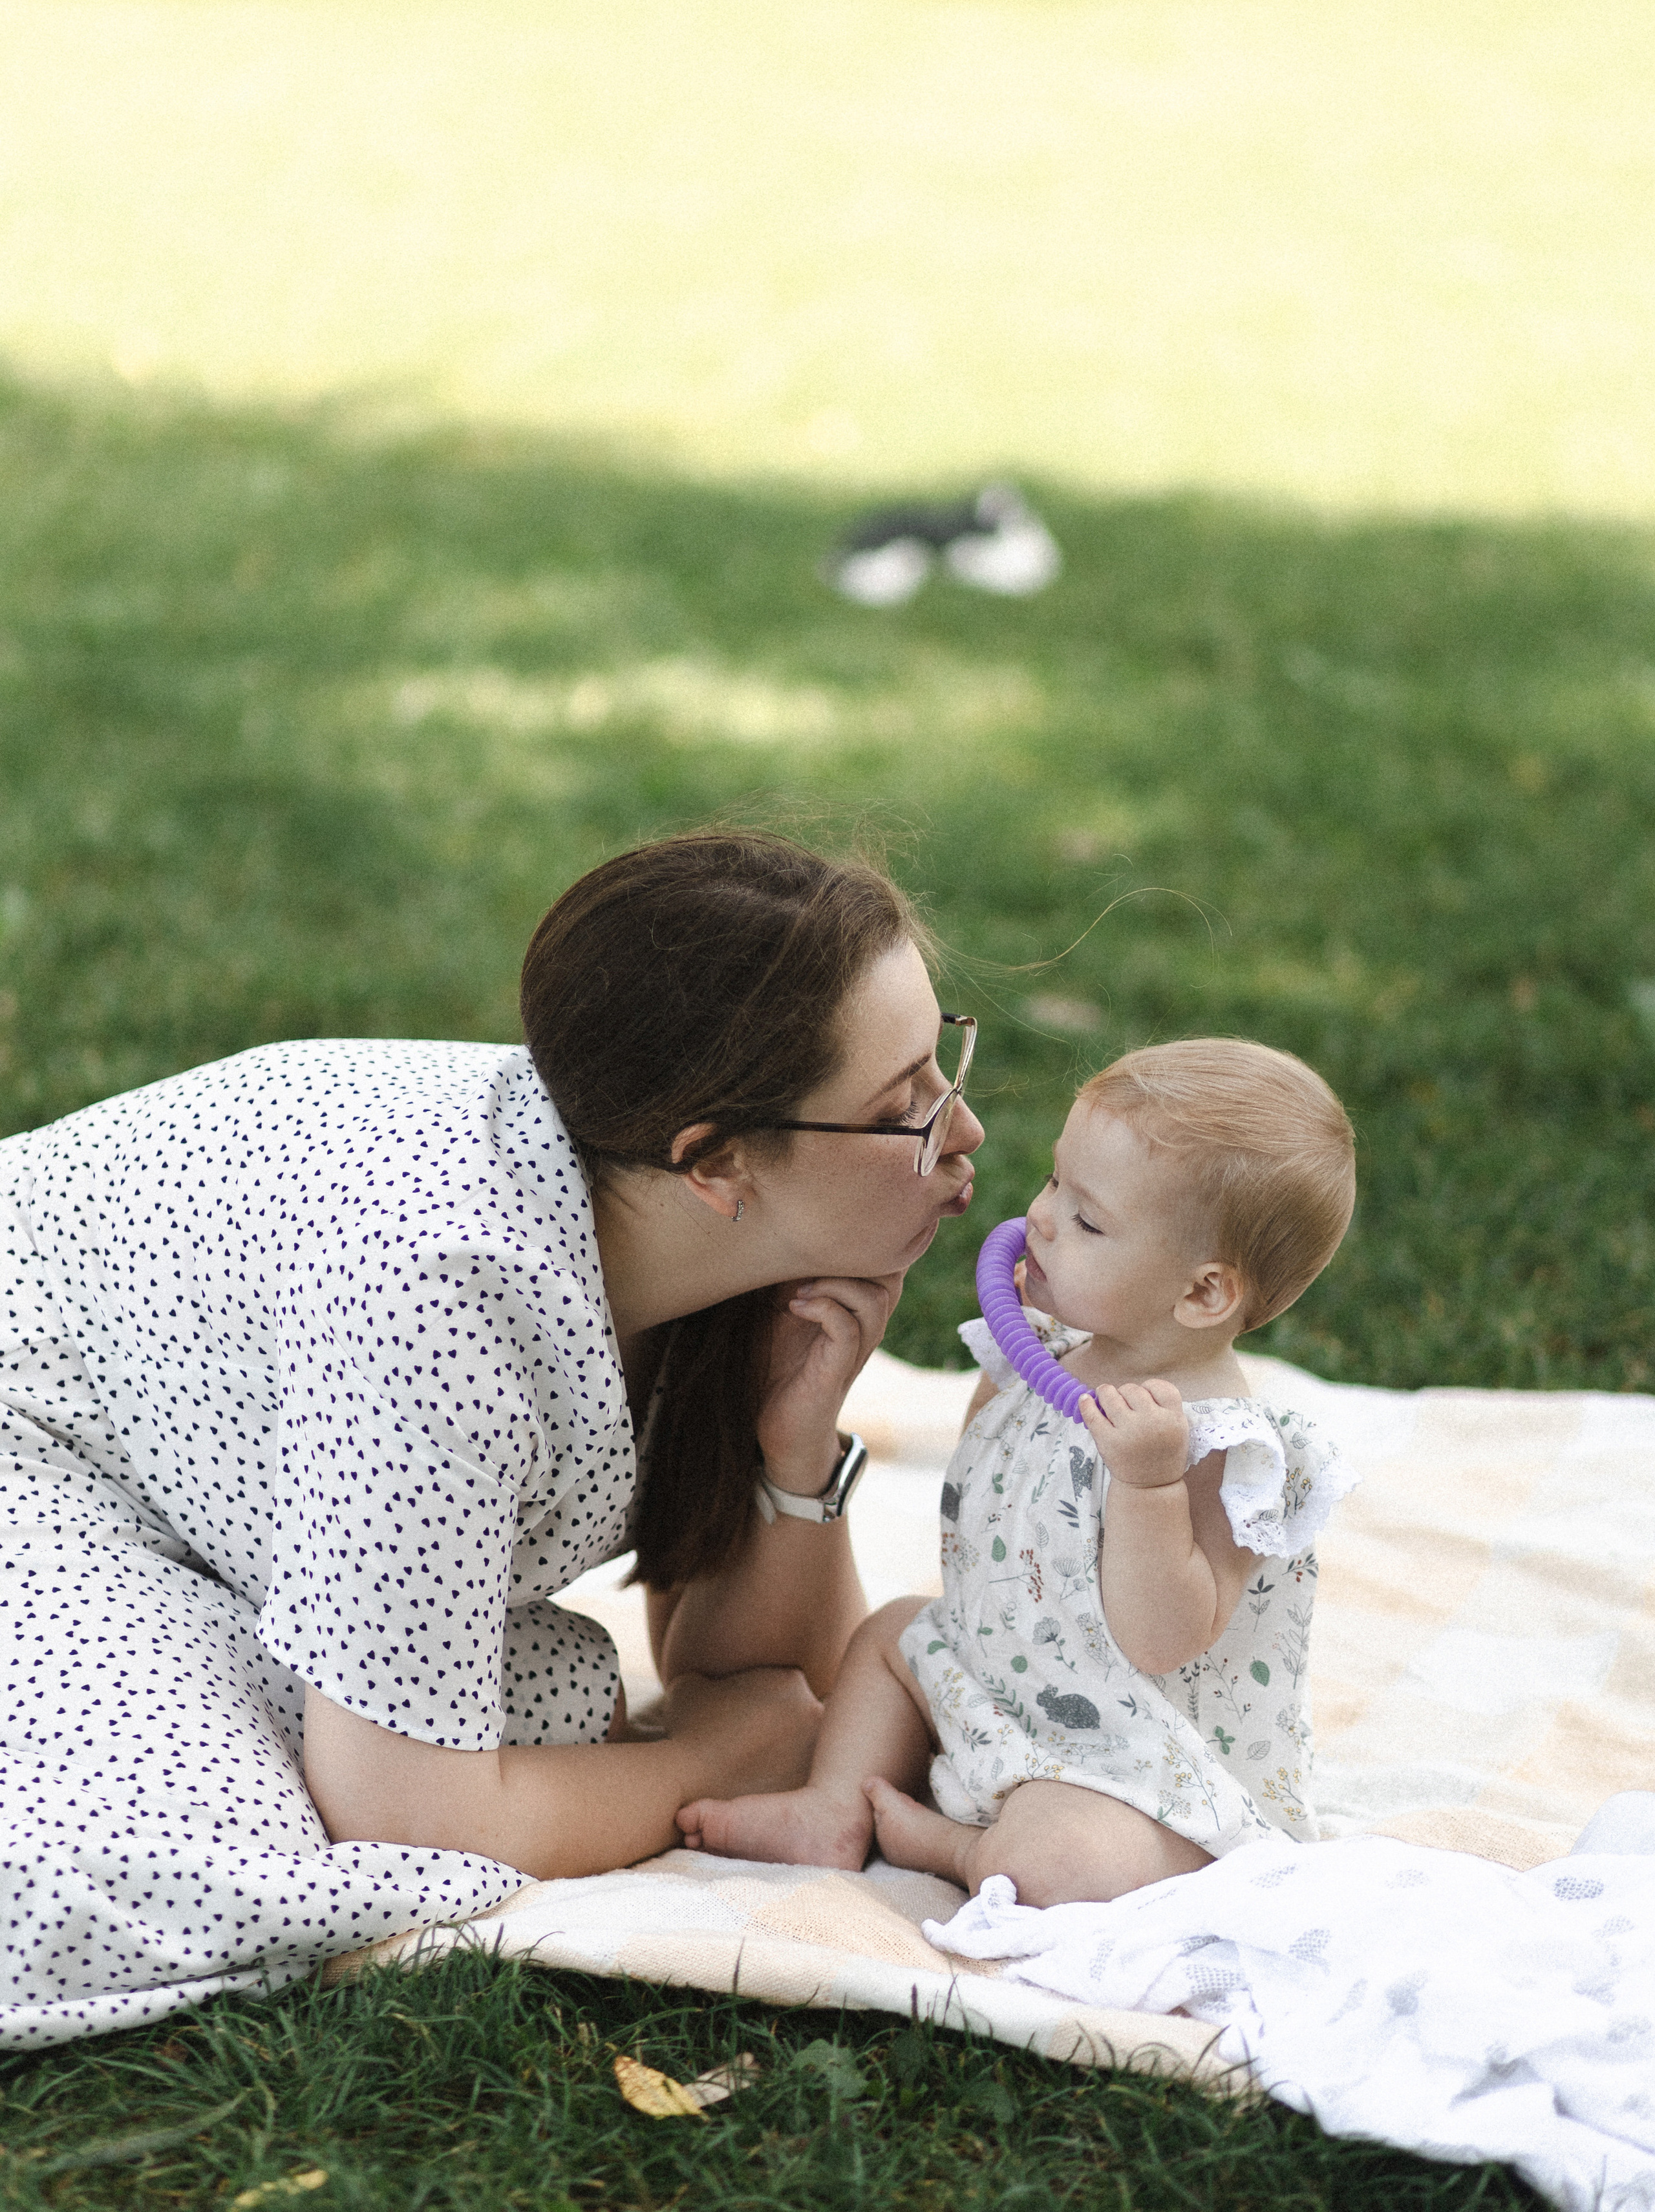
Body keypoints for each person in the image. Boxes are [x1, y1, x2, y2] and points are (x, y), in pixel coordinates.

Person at [0, 831, 983, 2048]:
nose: (966, 1133)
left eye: (944, 1066)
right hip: (32, 1436)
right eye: (903, 1110)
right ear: (717, 1164)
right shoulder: (442, 1309)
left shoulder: (685, 1209)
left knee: (514, 1722)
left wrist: (793, 1446)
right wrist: (710, 1762)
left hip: (183, 1439)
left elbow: (782, 1678)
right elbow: (402, 1818)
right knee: (183, 1859)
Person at [679, 1038, 1358, 1908]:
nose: (1039, 1219)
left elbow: (1164, 1636)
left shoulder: (1225, 1450)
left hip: (1133, 1761)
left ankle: (956, 1847)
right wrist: (1005, 1387)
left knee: (1062, 1860)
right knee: (889, 1636)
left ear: (1202, 1296)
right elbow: (987, 1498)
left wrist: (1147, 1489)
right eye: (1053, 1185)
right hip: (1013, 1679)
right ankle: (831, 1805)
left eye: (1087, 1220)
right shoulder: (1053, 1356)